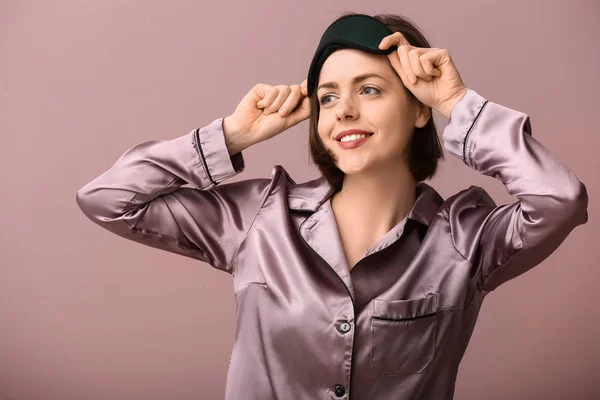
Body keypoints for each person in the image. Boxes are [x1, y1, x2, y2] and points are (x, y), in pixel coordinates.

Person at [76, 11, 588, 400]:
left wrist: (456, 103)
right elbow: (108, 198)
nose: (344, 110)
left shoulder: (465, 239)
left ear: (417, 108)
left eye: (369, 89)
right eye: (327, 97)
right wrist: (233, 135)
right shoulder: (260, 217)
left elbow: (559, 199)